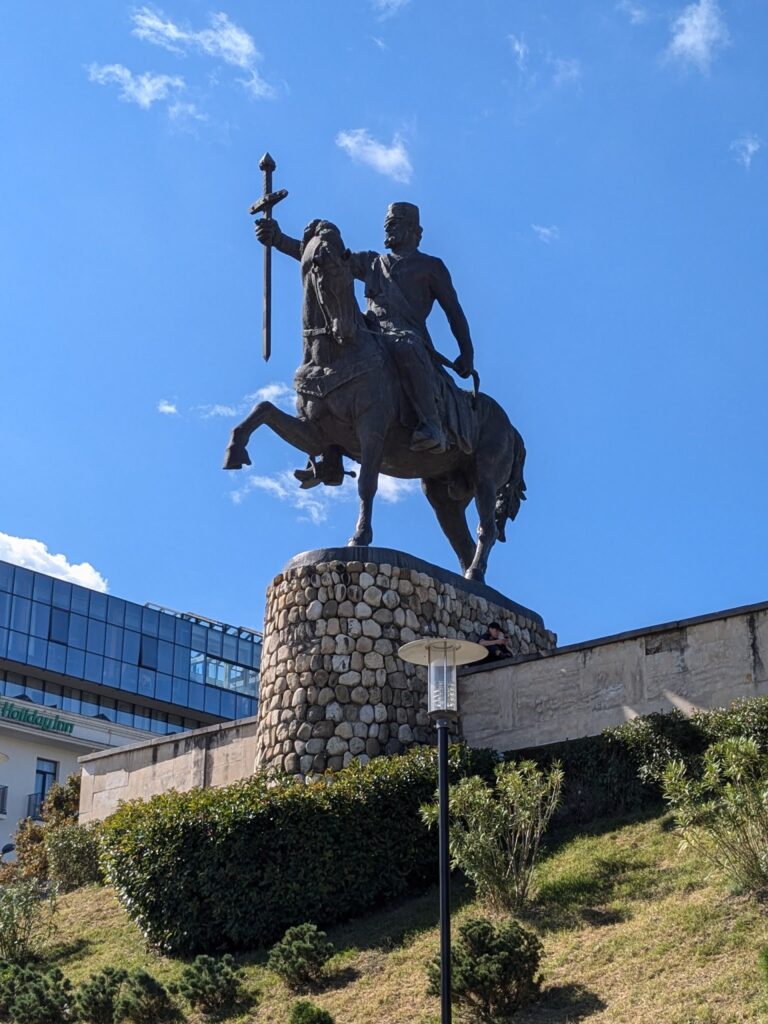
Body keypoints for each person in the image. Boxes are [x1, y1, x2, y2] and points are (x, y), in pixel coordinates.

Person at [254, 202, 475, 455]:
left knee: (407, 347)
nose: (388, 227)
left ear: (415, 231)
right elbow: (328, 260)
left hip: (405, 334)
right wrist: (278, 239)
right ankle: (327, 446)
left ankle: (432, 425)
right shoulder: (372, 262)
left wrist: (466, 352)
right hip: (369, 330)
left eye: (395, 223)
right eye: (387, 224)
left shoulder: (431, 267)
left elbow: (453, 312)